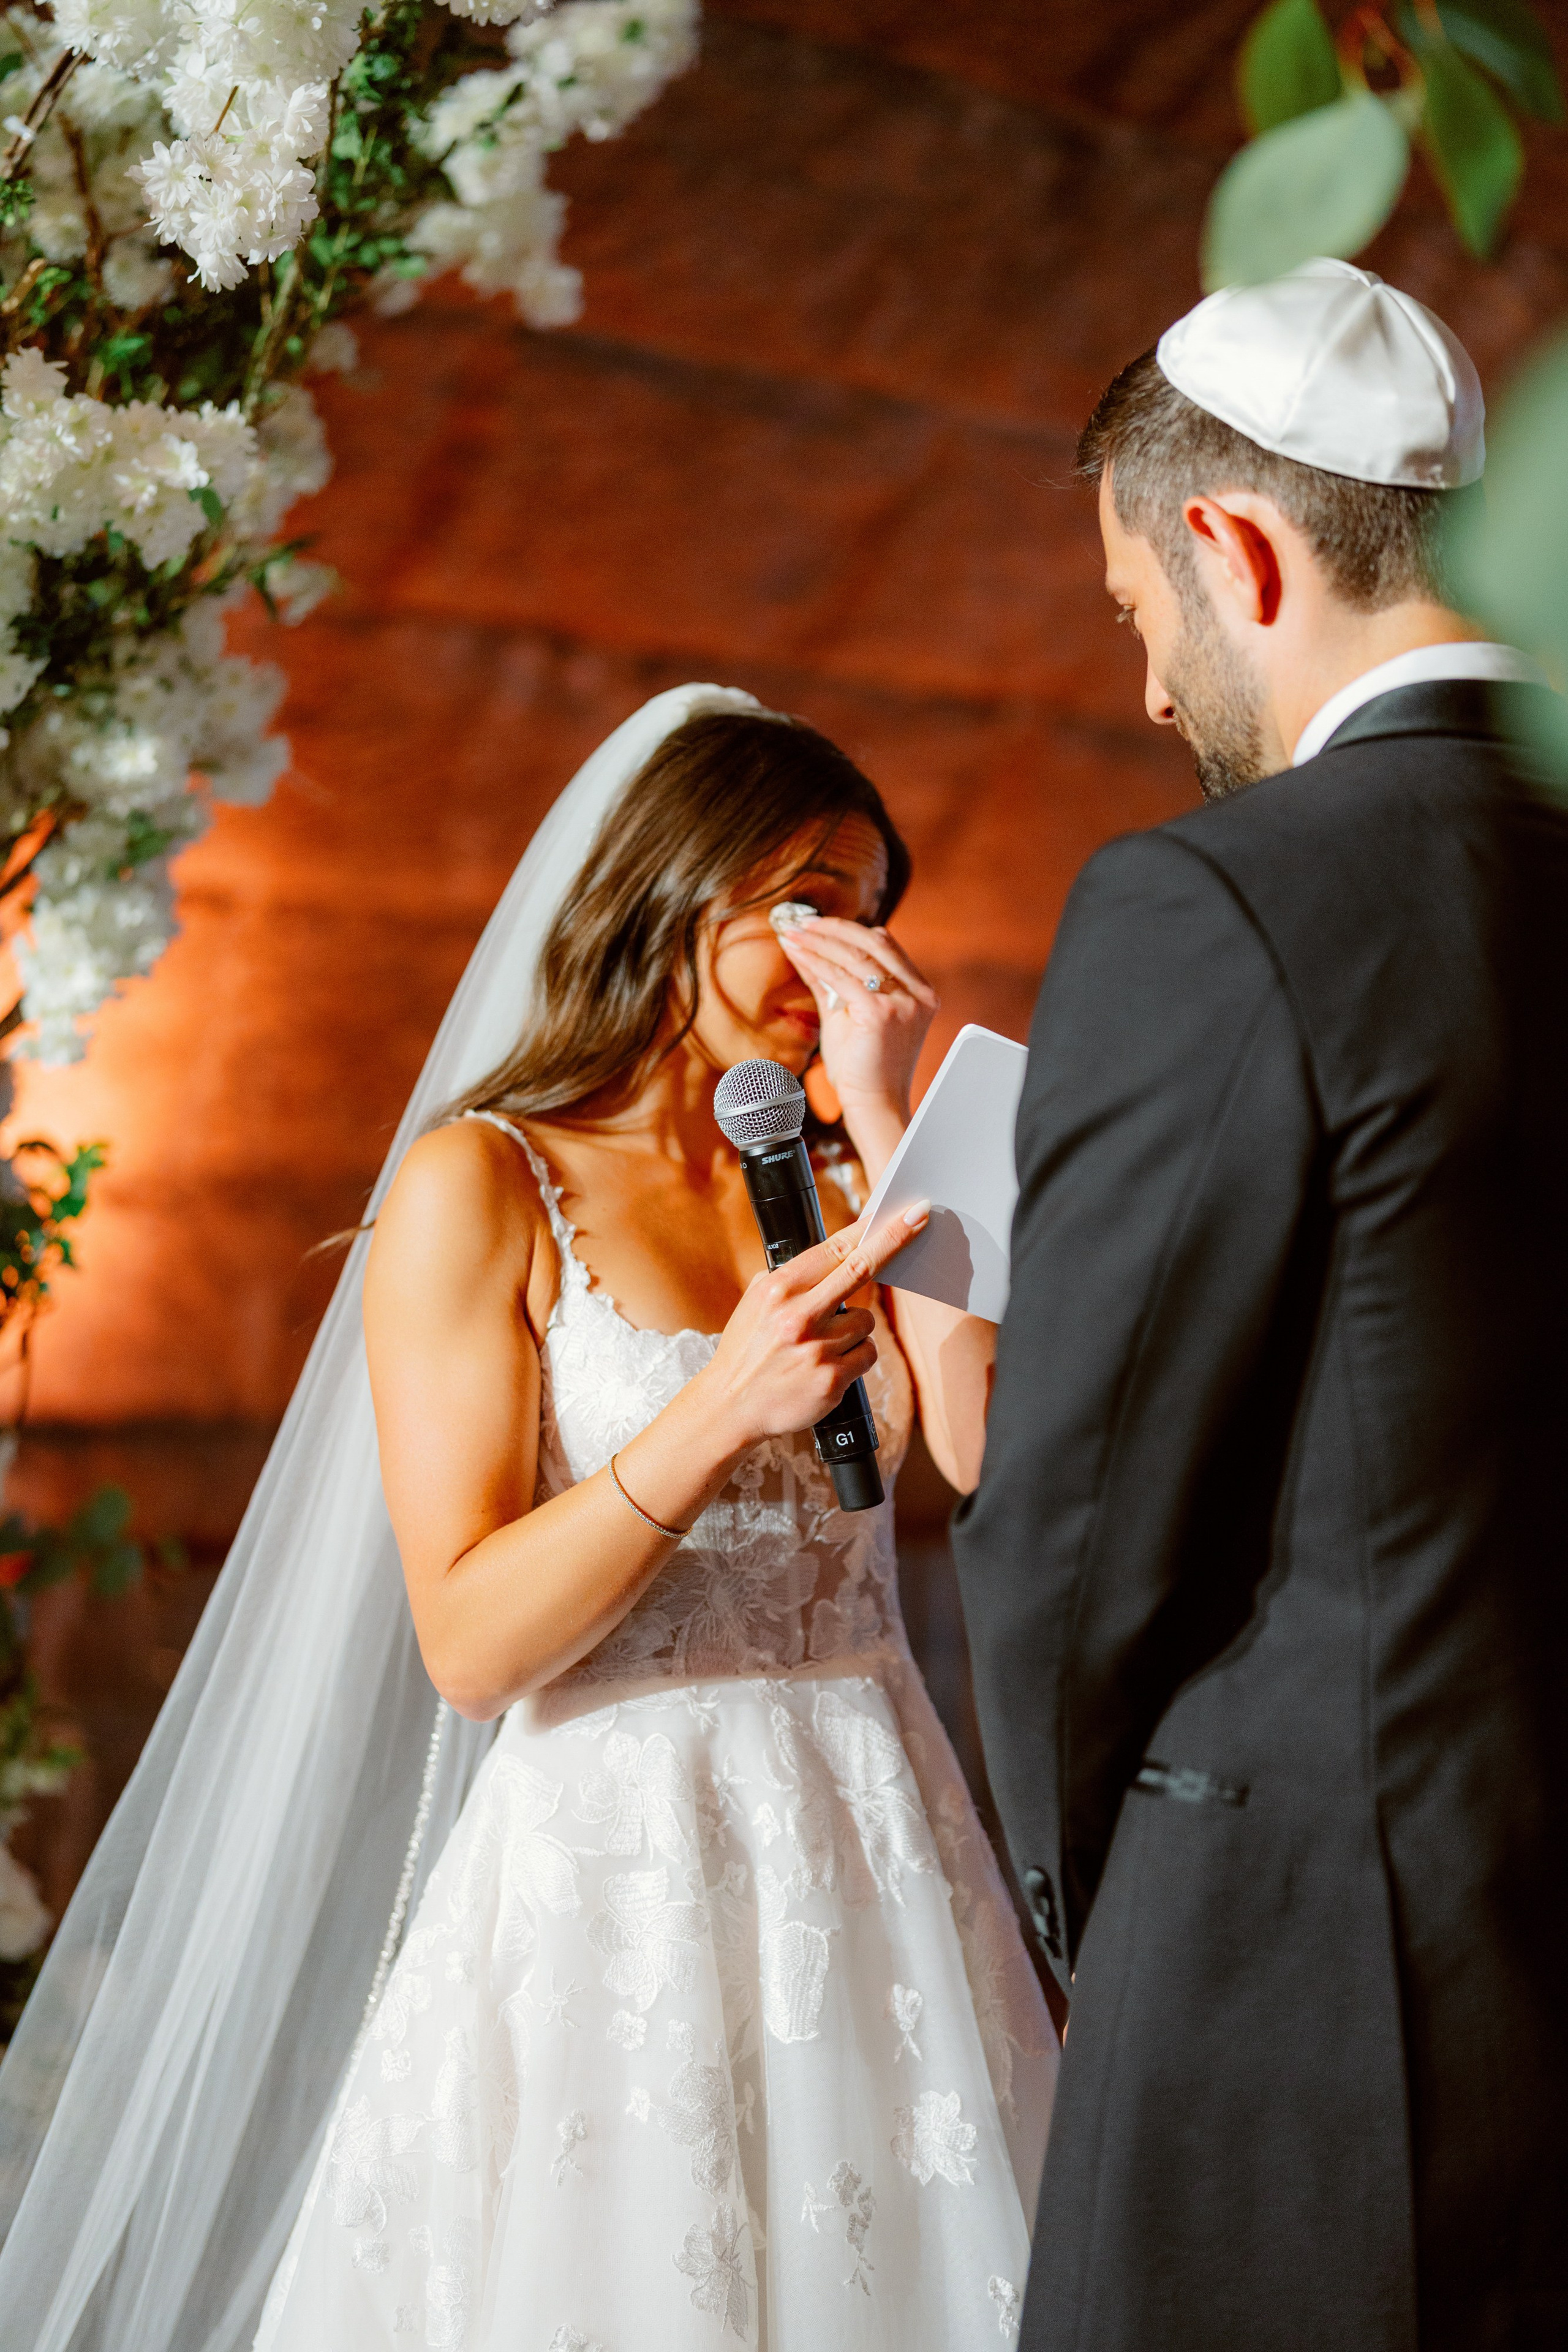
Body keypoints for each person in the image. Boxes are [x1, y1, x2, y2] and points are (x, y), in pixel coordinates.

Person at [0, 684, 1054, 2352]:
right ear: (670, 885)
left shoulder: (858, 1173)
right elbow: (472, 1642)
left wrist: (899, 1112)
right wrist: (720, 1405)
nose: (844, 954)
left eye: (868, 916)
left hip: (874, 1839)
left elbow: (982, 1451)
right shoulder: (484, 1184)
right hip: (619, 1867)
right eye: (806, 906)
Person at [952, 258, 1568, 2351]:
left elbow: (1082, 1514)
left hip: (1316, 1984)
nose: (1149, 692)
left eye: (1138, 611)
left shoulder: (1212, 894)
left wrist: (1071, 1901)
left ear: (1234, 543)